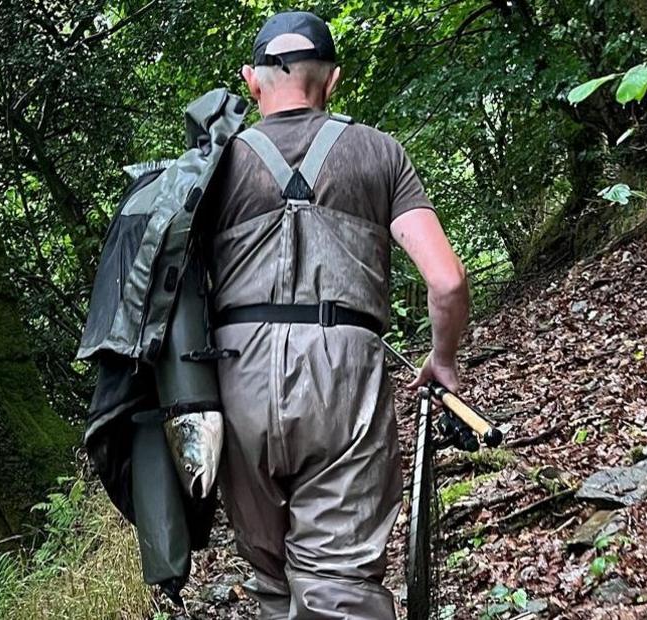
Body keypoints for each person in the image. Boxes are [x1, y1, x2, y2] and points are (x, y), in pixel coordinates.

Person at [202, 10, 470, 619]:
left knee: (272, 578)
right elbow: (448, 281)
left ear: (252, 80)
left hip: (234, 374)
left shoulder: (214, 167)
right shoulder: (379, 153)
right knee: (339, 583)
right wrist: (443, 360)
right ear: (334, 79)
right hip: (343, 374)